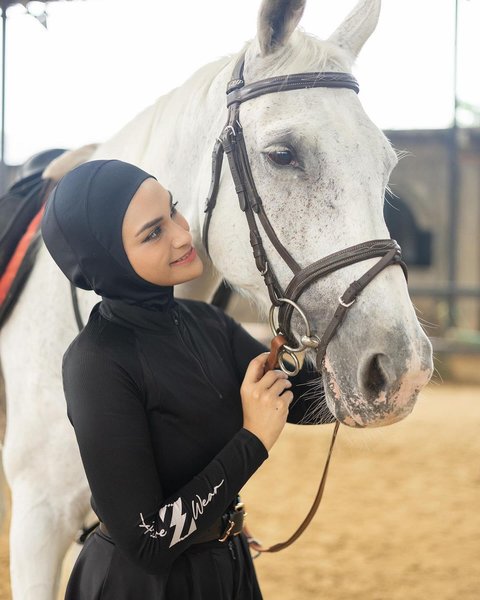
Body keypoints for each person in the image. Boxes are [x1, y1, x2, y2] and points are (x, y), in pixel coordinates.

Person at [41, 159, 333, 600]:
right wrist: (253, 439)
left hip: (227, 566)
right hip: (143, 586)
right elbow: (148, 541)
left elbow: (312, 401)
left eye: (174, 210)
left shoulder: (207, 323)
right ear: (107, 259)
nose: (182, 234)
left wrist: (359, 347)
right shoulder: (95, 364)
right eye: (154, 232)